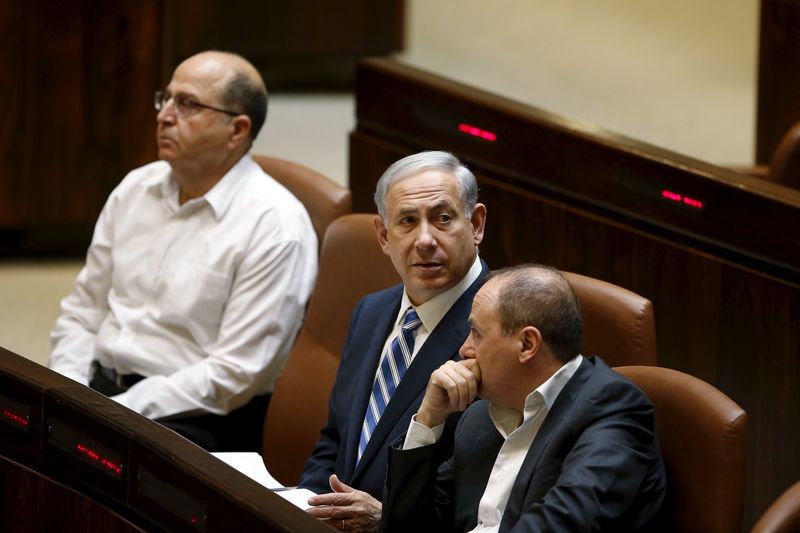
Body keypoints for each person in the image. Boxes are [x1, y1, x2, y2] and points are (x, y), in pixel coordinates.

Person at [48, 51, 318, 452]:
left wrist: (111, 414)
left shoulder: (276, 227)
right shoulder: (136, 188)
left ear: (237, 130)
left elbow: (232, 375)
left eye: (188, 104)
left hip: (197, 418)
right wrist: (68, 392)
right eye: (166, 98)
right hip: (101, 389)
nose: (164, 115)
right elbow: (83, 311)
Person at [381, 264, 667, 532]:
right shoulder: (479, 418)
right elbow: (408, 526)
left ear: (527, 344)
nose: (465, 349)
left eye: (476, 334)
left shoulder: (613, 410)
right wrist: (429, 418)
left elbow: (561, 523)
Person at [300, 151, 488, 532]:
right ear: (385, 237)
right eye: (406, 221)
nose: (424, 240)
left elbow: (488, 497)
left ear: (477, 224)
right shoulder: (371, 311)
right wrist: (304, 507)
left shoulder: (499, 333)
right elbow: (336, 440)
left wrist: (385, 520)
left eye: (443, 218)